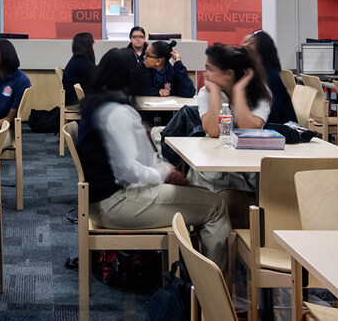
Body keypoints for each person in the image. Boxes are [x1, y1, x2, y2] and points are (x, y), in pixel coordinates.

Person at [77, 47, 232, 269]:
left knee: (199, 197)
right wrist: (163, 173)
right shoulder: (118, 112)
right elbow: (127, 171)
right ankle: (214, 293)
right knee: (216, 206)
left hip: (103, 201)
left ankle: (195, 276)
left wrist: (162, 172)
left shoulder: (98, 104)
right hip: (118, 204)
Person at [191, 43, 273, 228]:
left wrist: (238, 91)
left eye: (210, 69)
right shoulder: (206, 92)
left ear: (229, 74)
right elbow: (213, 131)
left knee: (240, 200)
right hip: (213, 165)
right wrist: (215, 95)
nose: (206, 75)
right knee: (225, 198)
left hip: (250, 168)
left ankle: (242, 247)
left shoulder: (261, 93)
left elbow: (250, 129)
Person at [242, 30, 297, 124]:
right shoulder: (252, 73)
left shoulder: (270, 77)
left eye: (249, 43)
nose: (244, 45)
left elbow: (271, 115)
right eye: (244, 42)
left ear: (261, 49)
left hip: (281, 131)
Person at [62, 32, 96, 106]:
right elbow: (95, 81)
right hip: (76, 101)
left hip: (73, 99)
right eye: (92, 42)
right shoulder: (82, 63)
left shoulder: (78, 60)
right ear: (88, 45)